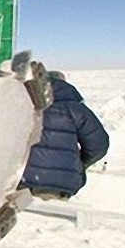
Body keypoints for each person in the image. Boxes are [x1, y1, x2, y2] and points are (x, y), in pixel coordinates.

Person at [20, 71, 110, 200]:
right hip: (65, 183)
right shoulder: (76, 109)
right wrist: (81, 163)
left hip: (22, 179)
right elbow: (99, 144)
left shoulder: (24, 105)